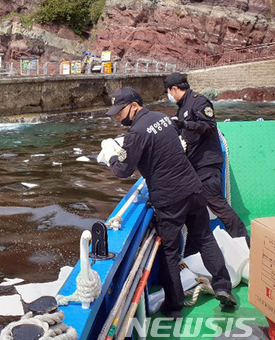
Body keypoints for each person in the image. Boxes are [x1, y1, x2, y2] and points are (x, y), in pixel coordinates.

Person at [98, 87, 236, 318]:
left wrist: (111, 155)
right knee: (204, 238)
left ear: (133, 106)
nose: (118, 117)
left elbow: (123, 170)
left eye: (120, 112)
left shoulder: (135, 134)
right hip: (193, 188)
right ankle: (222, 286)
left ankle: (174, 305)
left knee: (170, 253)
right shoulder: (161, 118)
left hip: (169, 199)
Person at [164, 72, 249, 244]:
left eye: (169, 92)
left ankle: (244, 241)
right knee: (195, 205)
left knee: (215, 201)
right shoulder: (182, 108)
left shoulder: (199, 101)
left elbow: (209, 127)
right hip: (195, 165)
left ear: (174, 89)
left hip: (207, 163)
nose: (169, 96)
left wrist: (186, 124)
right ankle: (195, 247)